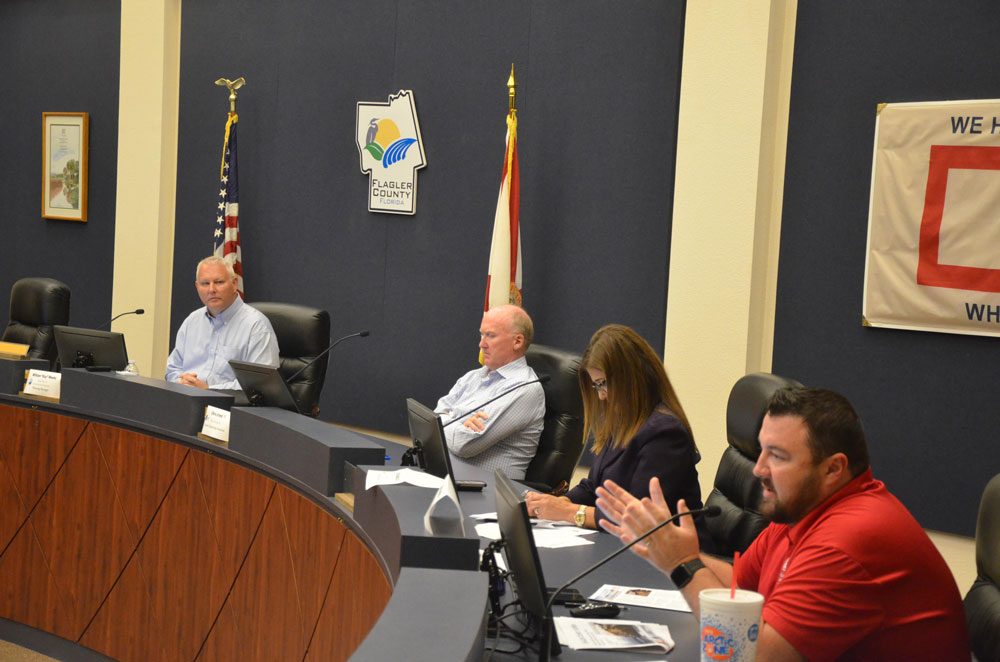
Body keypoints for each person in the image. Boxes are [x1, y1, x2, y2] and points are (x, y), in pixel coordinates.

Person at [596, 387, 970, 661]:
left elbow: (752, 656)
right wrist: (669, 549)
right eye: (760, 450)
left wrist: (683, 566)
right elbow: (742, 586)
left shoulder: (848, 540)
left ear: (833, 468)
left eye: (777, 456)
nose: (758, 469)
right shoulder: (803, 509)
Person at [526, 324, 710, 549]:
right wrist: (558, 502)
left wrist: (571, 512)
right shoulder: (624, 419)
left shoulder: (665, 433)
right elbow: (594, 486)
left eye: (603, 384)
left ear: (631, 377)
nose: (601, 396)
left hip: (669, 556)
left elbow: (640, 518)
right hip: (628, 547)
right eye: (596, 386)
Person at [434, 305, 545, 480]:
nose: (481, 344)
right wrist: (459, 423)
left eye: (490, 336)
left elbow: (465, 445)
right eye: (481, 334)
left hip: (487, 490)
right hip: (450, 478)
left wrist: (449, 419)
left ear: (517, 341)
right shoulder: (474, 376)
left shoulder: (524, 389)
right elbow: (433, 417)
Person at [165, 256, 279, 390]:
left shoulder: (257, 326)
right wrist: (182, 382)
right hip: (186, 400)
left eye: (219, 282)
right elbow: (172, 369)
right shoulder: (192, 321)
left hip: (228, 407)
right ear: (197, 286)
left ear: (235, 283)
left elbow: (260, 385)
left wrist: (209, 391)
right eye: (205, 283)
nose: (211, 289)